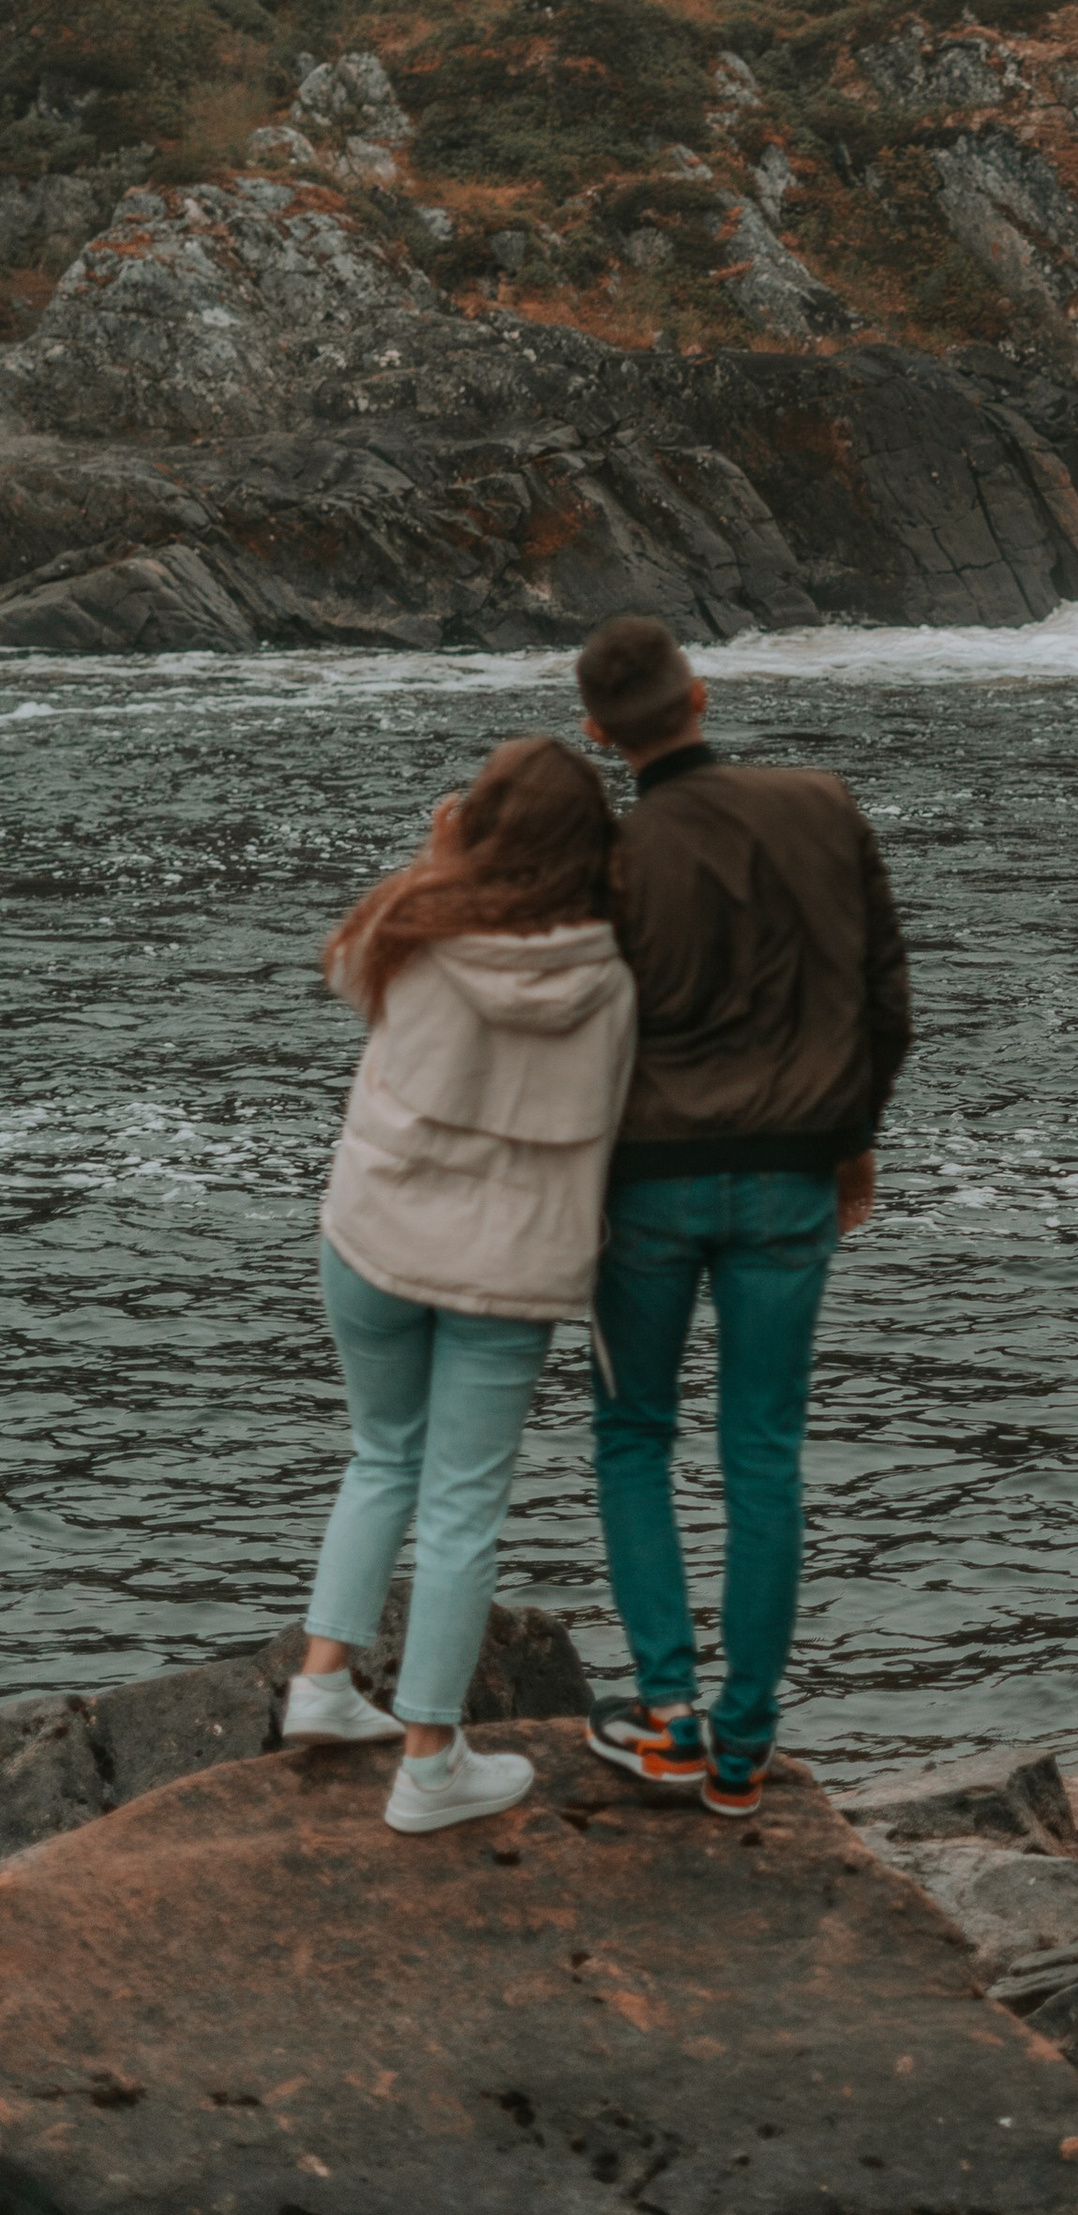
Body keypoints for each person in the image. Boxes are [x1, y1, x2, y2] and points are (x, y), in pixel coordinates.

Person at [573, 614, 911, 1819]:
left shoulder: (612, 857)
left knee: (634, 1436)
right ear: (701, 695)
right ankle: (744, 1747)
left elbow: (581, 1035)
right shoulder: (823, 805)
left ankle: (668, 1715)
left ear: (598, 734)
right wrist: (853, 1141)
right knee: (763, 1454)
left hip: (644, 1188)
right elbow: (885, 1001)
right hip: (789, 1178)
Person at [291, 737, 636, 1834]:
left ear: (475, 824)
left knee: (381, 1456)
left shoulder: (413, 923)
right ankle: (430, 1764)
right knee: (460, 1508)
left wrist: (438, 859)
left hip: (373, 1234)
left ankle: (322, 1681)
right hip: (505, 1268)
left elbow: (345, 978)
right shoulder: (615, 971)